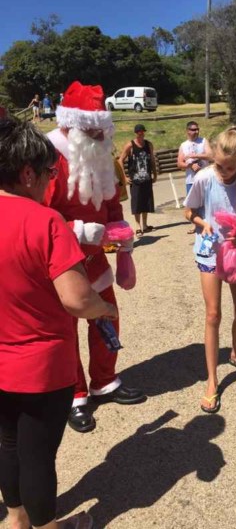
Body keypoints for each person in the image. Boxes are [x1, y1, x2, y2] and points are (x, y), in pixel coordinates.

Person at [0, 118, 119, 529]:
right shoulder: (44, 221)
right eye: (49, 172)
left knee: (9, 445)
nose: (52, 181)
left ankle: (15, 519)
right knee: (37, 457)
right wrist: (103, 310)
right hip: (41, 365)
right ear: (27, 173)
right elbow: (76, 298)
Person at [45, 81, 145, 434]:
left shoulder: (99, 152)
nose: (99, 134)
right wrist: (82, 231)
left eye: (101, 127)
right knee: (66, 329)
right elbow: (39, 214)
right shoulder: (51, 157)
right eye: (90, 128)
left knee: (107, 318)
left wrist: (120, 231)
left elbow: (111, 197)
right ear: (70, 125)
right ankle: (75, 394)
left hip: (97, 260)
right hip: (61, 263)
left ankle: (104, 379)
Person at [184, 129, 236, 413]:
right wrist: (201, 223)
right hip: (209, 251)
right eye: (219, 165)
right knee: (213, 314)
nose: (225, 172)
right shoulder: (205, 178)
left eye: (231, 167)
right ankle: (212, 380)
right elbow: (189, 211)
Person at [119, 124, 157, 237]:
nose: (141, 133)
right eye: (139, 132)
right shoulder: (130, 145)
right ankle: (137, 226)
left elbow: (152, 161)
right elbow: (120, 160)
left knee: (147, 202)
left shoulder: (148, 144)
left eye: (142, 131)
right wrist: (124, 176)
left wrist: (154, 173)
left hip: (146, 178)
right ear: (135, 133)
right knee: (136, 203)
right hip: (135, 180)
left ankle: (145, 225)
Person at [177, 121, 211, 233]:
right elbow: (180, 163)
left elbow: (210, 155)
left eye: (197, 129)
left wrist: (195, 156)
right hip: (191, 180)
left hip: (205, 178)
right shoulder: (183, 145)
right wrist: (190, 165)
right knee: (191, 206)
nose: (196, 131)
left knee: (206, 203)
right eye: (193, 129)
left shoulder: (203, 141)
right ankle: (197, 225)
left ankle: (208, 224)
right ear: (187, 131)